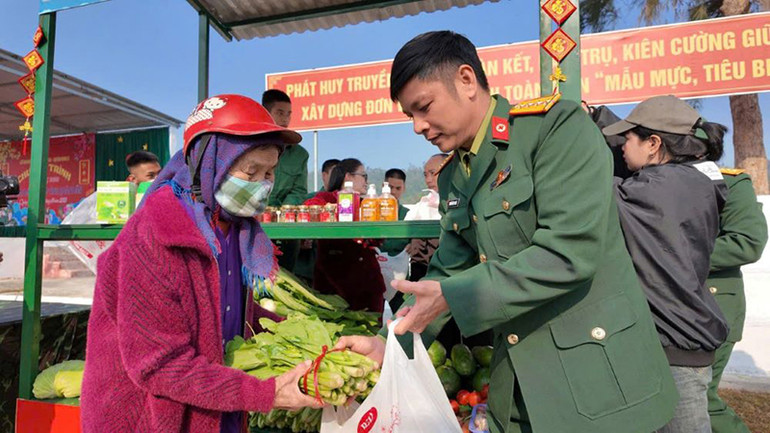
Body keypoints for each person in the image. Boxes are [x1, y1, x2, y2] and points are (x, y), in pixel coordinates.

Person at [337, 31, 677, 433]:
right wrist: (389, 343)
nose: (416, 126)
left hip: (597, 379)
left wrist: (451, 295)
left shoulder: (554, 130)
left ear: (466, 80)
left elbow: (568, 254)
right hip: (516, 385)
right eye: (409, 115)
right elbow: (445, 273)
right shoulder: (455, 174)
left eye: (423, 107)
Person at [81, 95, 321, 433]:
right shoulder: (154, 235)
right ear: (211, 163)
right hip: (150, 419)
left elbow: (228, 311)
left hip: (215, 406)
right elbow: (160, 365)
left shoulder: (238, 229)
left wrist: (295, 336)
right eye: (251, 171)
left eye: (269, 173)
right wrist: (265, 392)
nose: (263, 185)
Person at [603, 94, 731, 433]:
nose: (621, 148)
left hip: (676, 352)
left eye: (627, 139)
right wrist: (600, 116)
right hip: (683, 341)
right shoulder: (693, 181)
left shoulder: (658, 189)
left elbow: (593, 189)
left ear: (654, 143)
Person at [705, 166, 767, 433]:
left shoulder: (727, 181)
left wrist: (674, 252)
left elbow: (748, 242)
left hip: (714, 309)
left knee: (701, 400)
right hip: (667, 308)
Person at [306, 158, 387, 313]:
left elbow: (378, 238)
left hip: (368, 282)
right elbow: (310, 210)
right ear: (348, 177)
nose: (366, 181)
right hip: (334, 283)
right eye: (364, 176)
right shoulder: (325, 198)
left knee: (370, 332)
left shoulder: (368, 204)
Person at [263, 89, 308, 272]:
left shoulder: (299, 154)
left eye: (288, 114)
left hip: (287, 230)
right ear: (266, 113)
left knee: (286, 280)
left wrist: (281, 215)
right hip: (254, 225)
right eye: (280, 113)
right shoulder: (251, 146)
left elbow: (298, 191)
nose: (285, 119)